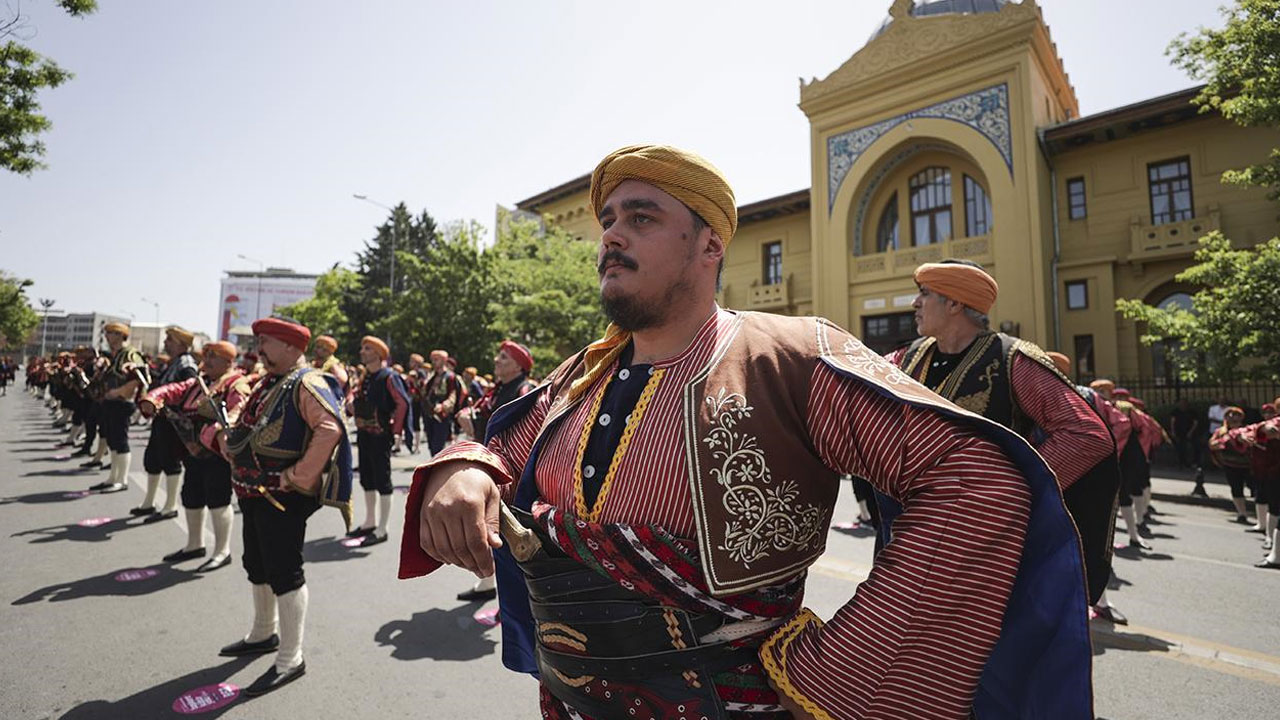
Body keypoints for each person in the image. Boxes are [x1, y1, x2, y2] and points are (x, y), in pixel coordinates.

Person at [397, 144, 1093, 720]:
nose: (610, 234)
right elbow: (501, 450)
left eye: (640, 217)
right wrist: (465, 467)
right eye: (608, 219)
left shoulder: (788, 355)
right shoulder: (581, 372)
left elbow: (980, 481)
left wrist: (840, 674)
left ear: (708, 243)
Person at [887, 260, 1115, 612]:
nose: (914, 303)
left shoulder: (1013, 359)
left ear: (955, 303)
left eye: (924, 294)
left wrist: (1006, 492)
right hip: (907, 534)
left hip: (981, 547)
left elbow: (1086, 434)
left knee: (977, 651)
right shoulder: (906, 357)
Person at [215, 316, 353, 697]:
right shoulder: (267, 380)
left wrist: (299, 476)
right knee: (256, 564)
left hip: (282, 495)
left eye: (268, 342)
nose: (260, 349)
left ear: (292, 348)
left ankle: (291, 657)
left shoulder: (308, 381)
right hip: (254, 491)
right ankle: (263, 633)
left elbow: (330, 429)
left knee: (284, 570)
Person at [139, 341, 251, 571]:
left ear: (228, 362)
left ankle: (222, 551)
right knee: (191, 495)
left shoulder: (235, 384)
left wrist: (219, 430)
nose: (206, 361)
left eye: (213, 356)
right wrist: (153, 398)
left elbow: (238, 411)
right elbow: (174, 389)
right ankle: (195, 544)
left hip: (217, 452)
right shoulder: (199, 382)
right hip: (193, 450)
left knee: (218, 499)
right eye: (206, 355)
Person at [453, 340, 536, 602]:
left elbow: (526, 437)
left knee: (510, 540)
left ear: (519, 366)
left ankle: (515, 605)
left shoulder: (525, 390)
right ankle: (488, 585)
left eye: (504, 357)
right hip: (491, 468)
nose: (497, 361)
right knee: (487, 531)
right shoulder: (498, 390)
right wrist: (467, 414)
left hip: (511, 476)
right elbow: (478, 410)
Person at [346, 336, 410, 547]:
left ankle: (383, 529)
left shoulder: (389, 377)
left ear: (378, 353)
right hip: (364, 433)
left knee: (382, 480)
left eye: (367, 349)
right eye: (362, 348)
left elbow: (402, 403)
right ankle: (370, 522)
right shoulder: (366, 377)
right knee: (367, 478)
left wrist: (397, 431)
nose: (362, 351)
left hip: (381, 435)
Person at [133, 327, 200, 521]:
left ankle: (170, 505)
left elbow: (189, 389)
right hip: (162, 419)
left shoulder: (186, 364)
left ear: (180, 343)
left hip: (174, 423)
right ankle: (149, 502)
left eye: (170, 340)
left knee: (170, 461)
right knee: (153, 460)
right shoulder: (173, 363)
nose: (165, 343)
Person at [88, 322, 148, 493]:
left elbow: (137, 378)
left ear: (122, 335)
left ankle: (122, 480)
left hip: (122, 403)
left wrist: (118, 392)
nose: (107, 337)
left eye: (111, 333)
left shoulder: (131, 354)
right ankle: (112, 477)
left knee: (120, 442)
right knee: (113, 441)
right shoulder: (116, 355)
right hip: (111, 403)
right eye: (106, 333)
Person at [422, 349, 463, 456]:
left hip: (441, 415)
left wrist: (444, 405)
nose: (434, 362)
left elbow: (453, 395)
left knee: (437, 445)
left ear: (444, 361)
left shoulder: (450, 377)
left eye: (437, 360)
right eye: (433, 360)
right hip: (429, 413)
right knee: (431, 444)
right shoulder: (431, 376)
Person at [1169, 398, 1202, 470]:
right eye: (1181, 404)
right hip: (1179, 432)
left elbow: (1195, 423)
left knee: (1195, 447)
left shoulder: (1192, 412)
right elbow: (1172, 422)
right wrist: (1173, 431)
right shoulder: (1175, 411)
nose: (1182, 405)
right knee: (1181, 448)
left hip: (1190, 432)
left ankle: (1195, 462)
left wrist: (1190, 432)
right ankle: (1182, 463)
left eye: (1184, 403)